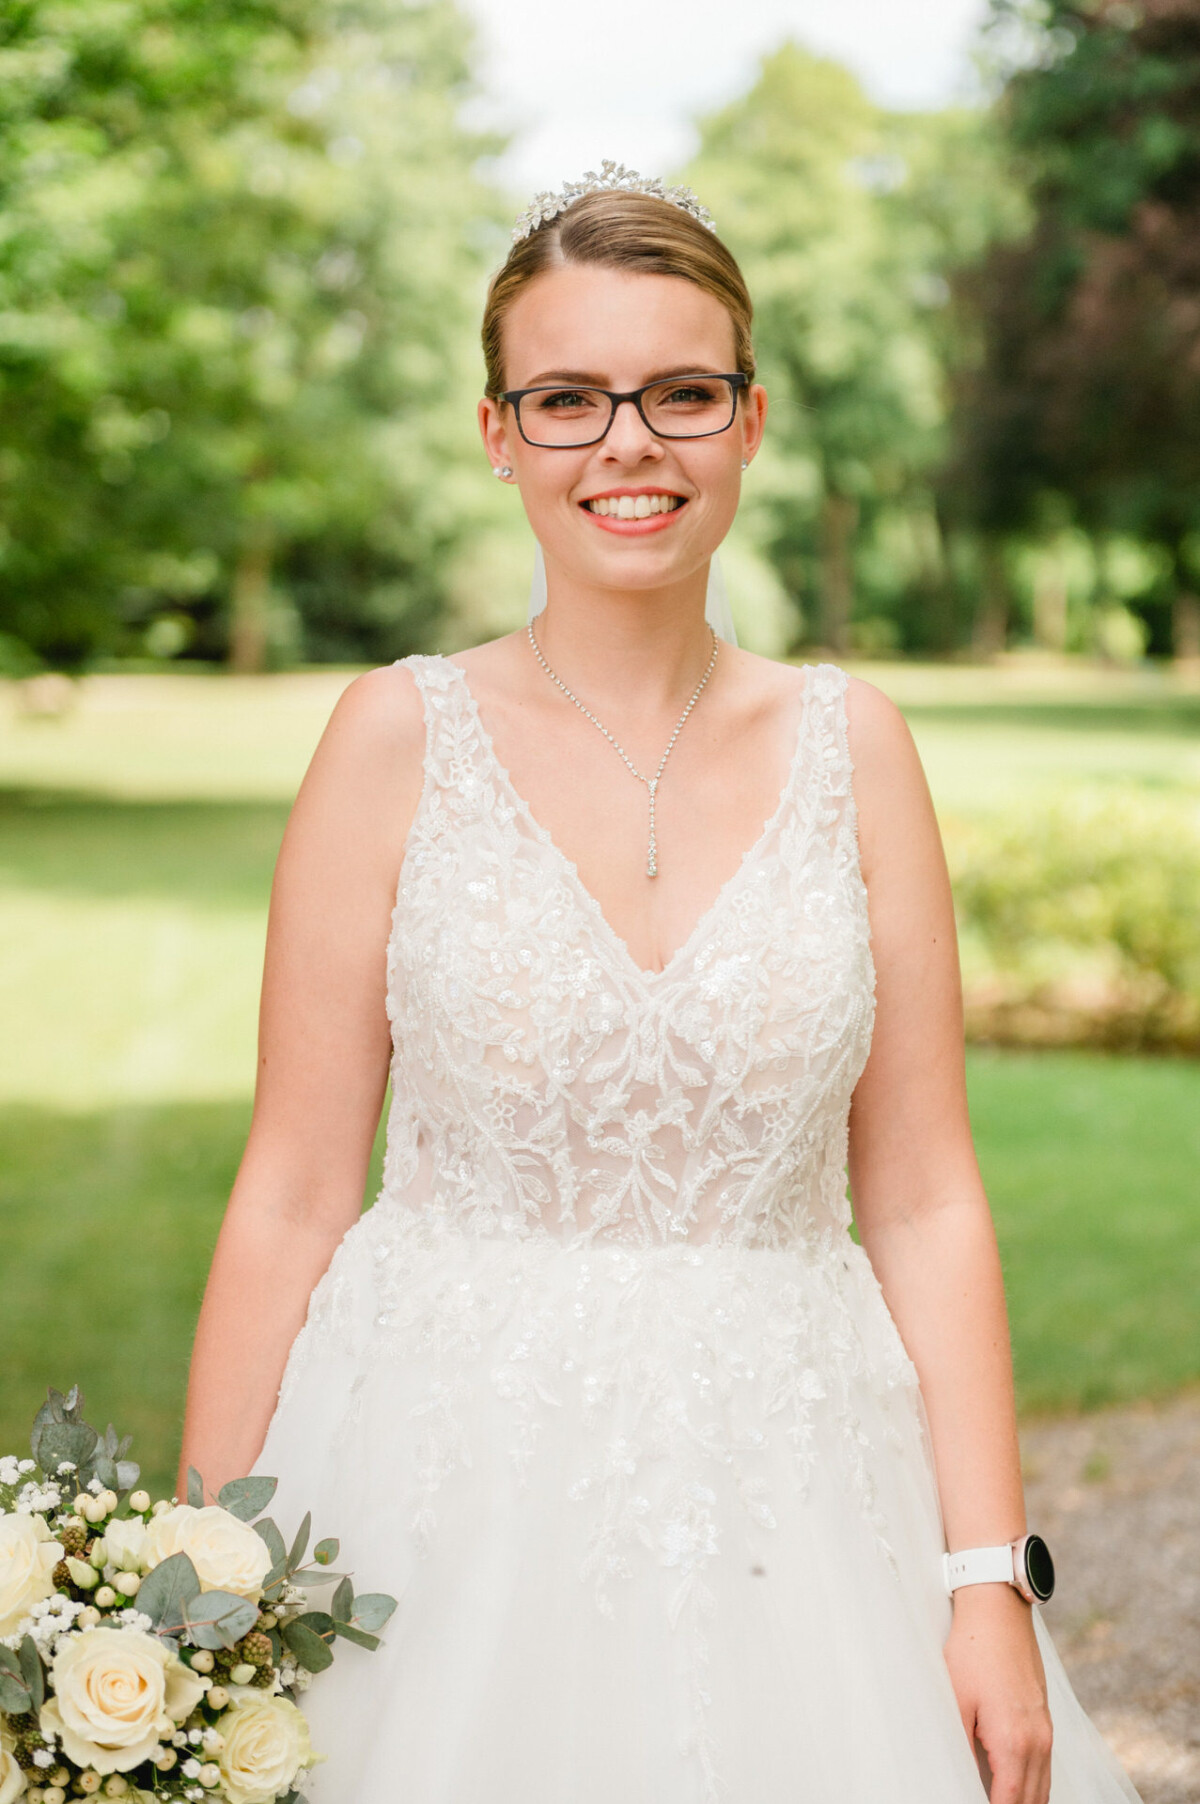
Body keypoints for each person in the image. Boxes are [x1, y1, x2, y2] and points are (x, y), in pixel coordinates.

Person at [176, 168, 1143, 1803]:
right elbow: (288, 1189)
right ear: (500, 435)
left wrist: (985, 1575)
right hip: (431, 1476)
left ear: (749, 422)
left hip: (802, 1495)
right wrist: (197, 1565)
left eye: (681, 393)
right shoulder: (392, 740)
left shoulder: (859, 748)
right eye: (567, 399)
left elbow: (921, 1198)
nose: (628, 443)